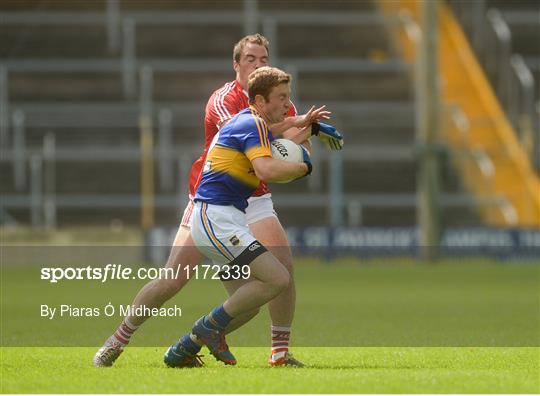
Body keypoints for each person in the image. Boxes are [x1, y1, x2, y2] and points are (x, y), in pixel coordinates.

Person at [93, 34, 343, 368]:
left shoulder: (279, 102)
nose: (258, 63)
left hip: (251, 198)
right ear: (237, 64)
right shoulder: (226, 100)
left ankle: (275, 352)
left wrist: (305, 134)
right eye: (251, 59)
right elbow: (259, 145)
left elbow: (282, 145)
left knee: (277, 276)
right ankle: (118, 339)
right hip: (211, 199)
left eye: (263, 58)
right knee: (174, 278)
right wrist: (302, 138)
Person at [164, 66, 312, 367]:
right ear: (259, 100)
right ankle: (208, 328)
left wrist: (304, 123)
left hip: (225, 220)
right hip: (215, 220)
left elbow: (277, 131)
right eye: (281, 97)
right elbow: (267, 170)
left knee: (252, 299)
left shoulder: (254, 122)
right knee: (277, 278)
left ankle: (184, 348)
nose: (287, 103)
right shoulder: (251, 124)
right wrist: (304, 166)